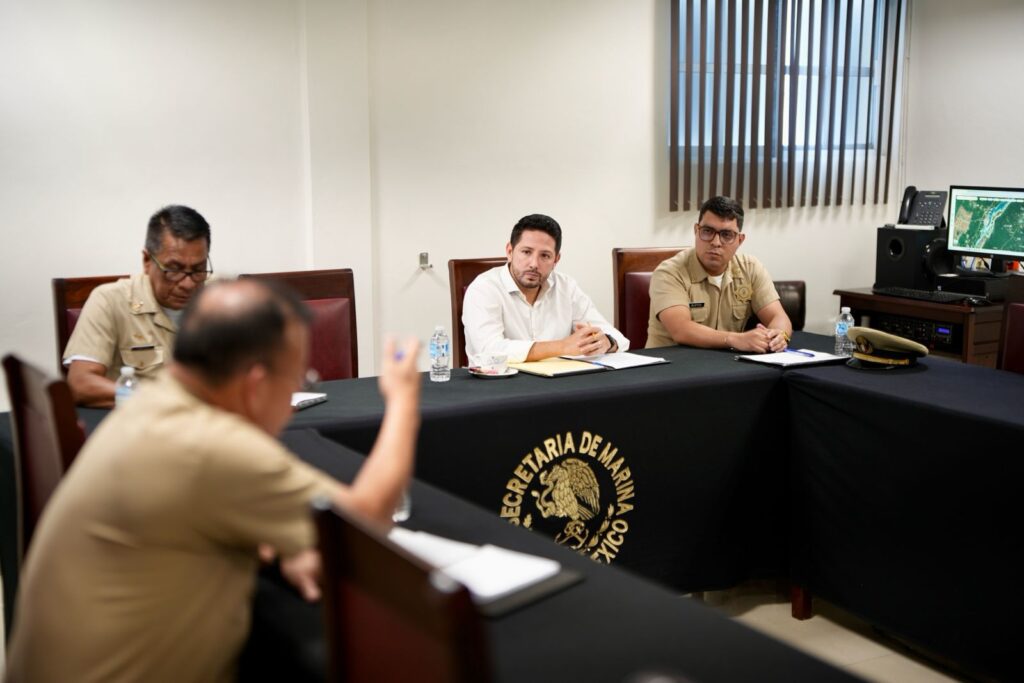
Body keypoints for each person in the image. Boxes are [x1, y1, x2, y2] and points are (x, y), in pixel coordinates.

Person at [7, 279, 421, 683]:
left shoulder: (155, 399)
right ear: (256, 385)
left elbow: (200, 508)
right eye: (299, 378)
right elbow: (365, 520)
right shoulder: (214, 446)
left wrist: (279, 539)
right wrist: (403, 399)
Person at [63, 204, 213, 407]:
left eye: (198, 270)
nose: (187, 284)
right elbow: (81, 384)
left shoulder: (220, 301)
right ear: (147, 261)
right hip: (137, 426)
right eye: (174, 269)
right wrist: (159, 400)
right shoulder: (110, 300)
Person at [462, 213, 629, 366]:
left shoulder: (566, 286)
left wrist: (607, 342)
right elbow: (490, 350)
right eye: (526, 252)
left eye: (545, 256)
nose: (534, 263)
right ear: (510, 251)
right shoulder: (484, 288)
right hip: (498, 388)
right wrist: (562, 347)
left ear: (556, 259)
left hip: (557, 386)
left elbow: (618, 338)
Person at [645, 196, 792, 353]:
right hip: (671, 366)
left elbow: (778, 317)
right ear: (696, 231)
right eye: (708, 231)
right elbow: (681, 330)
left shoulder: (750, 268)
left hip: (726, 365)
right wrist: (735, 339)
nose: (716, 242)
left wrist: (778, 336)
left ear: (740, 240)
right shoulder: (669, 272)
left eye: (726, 234)